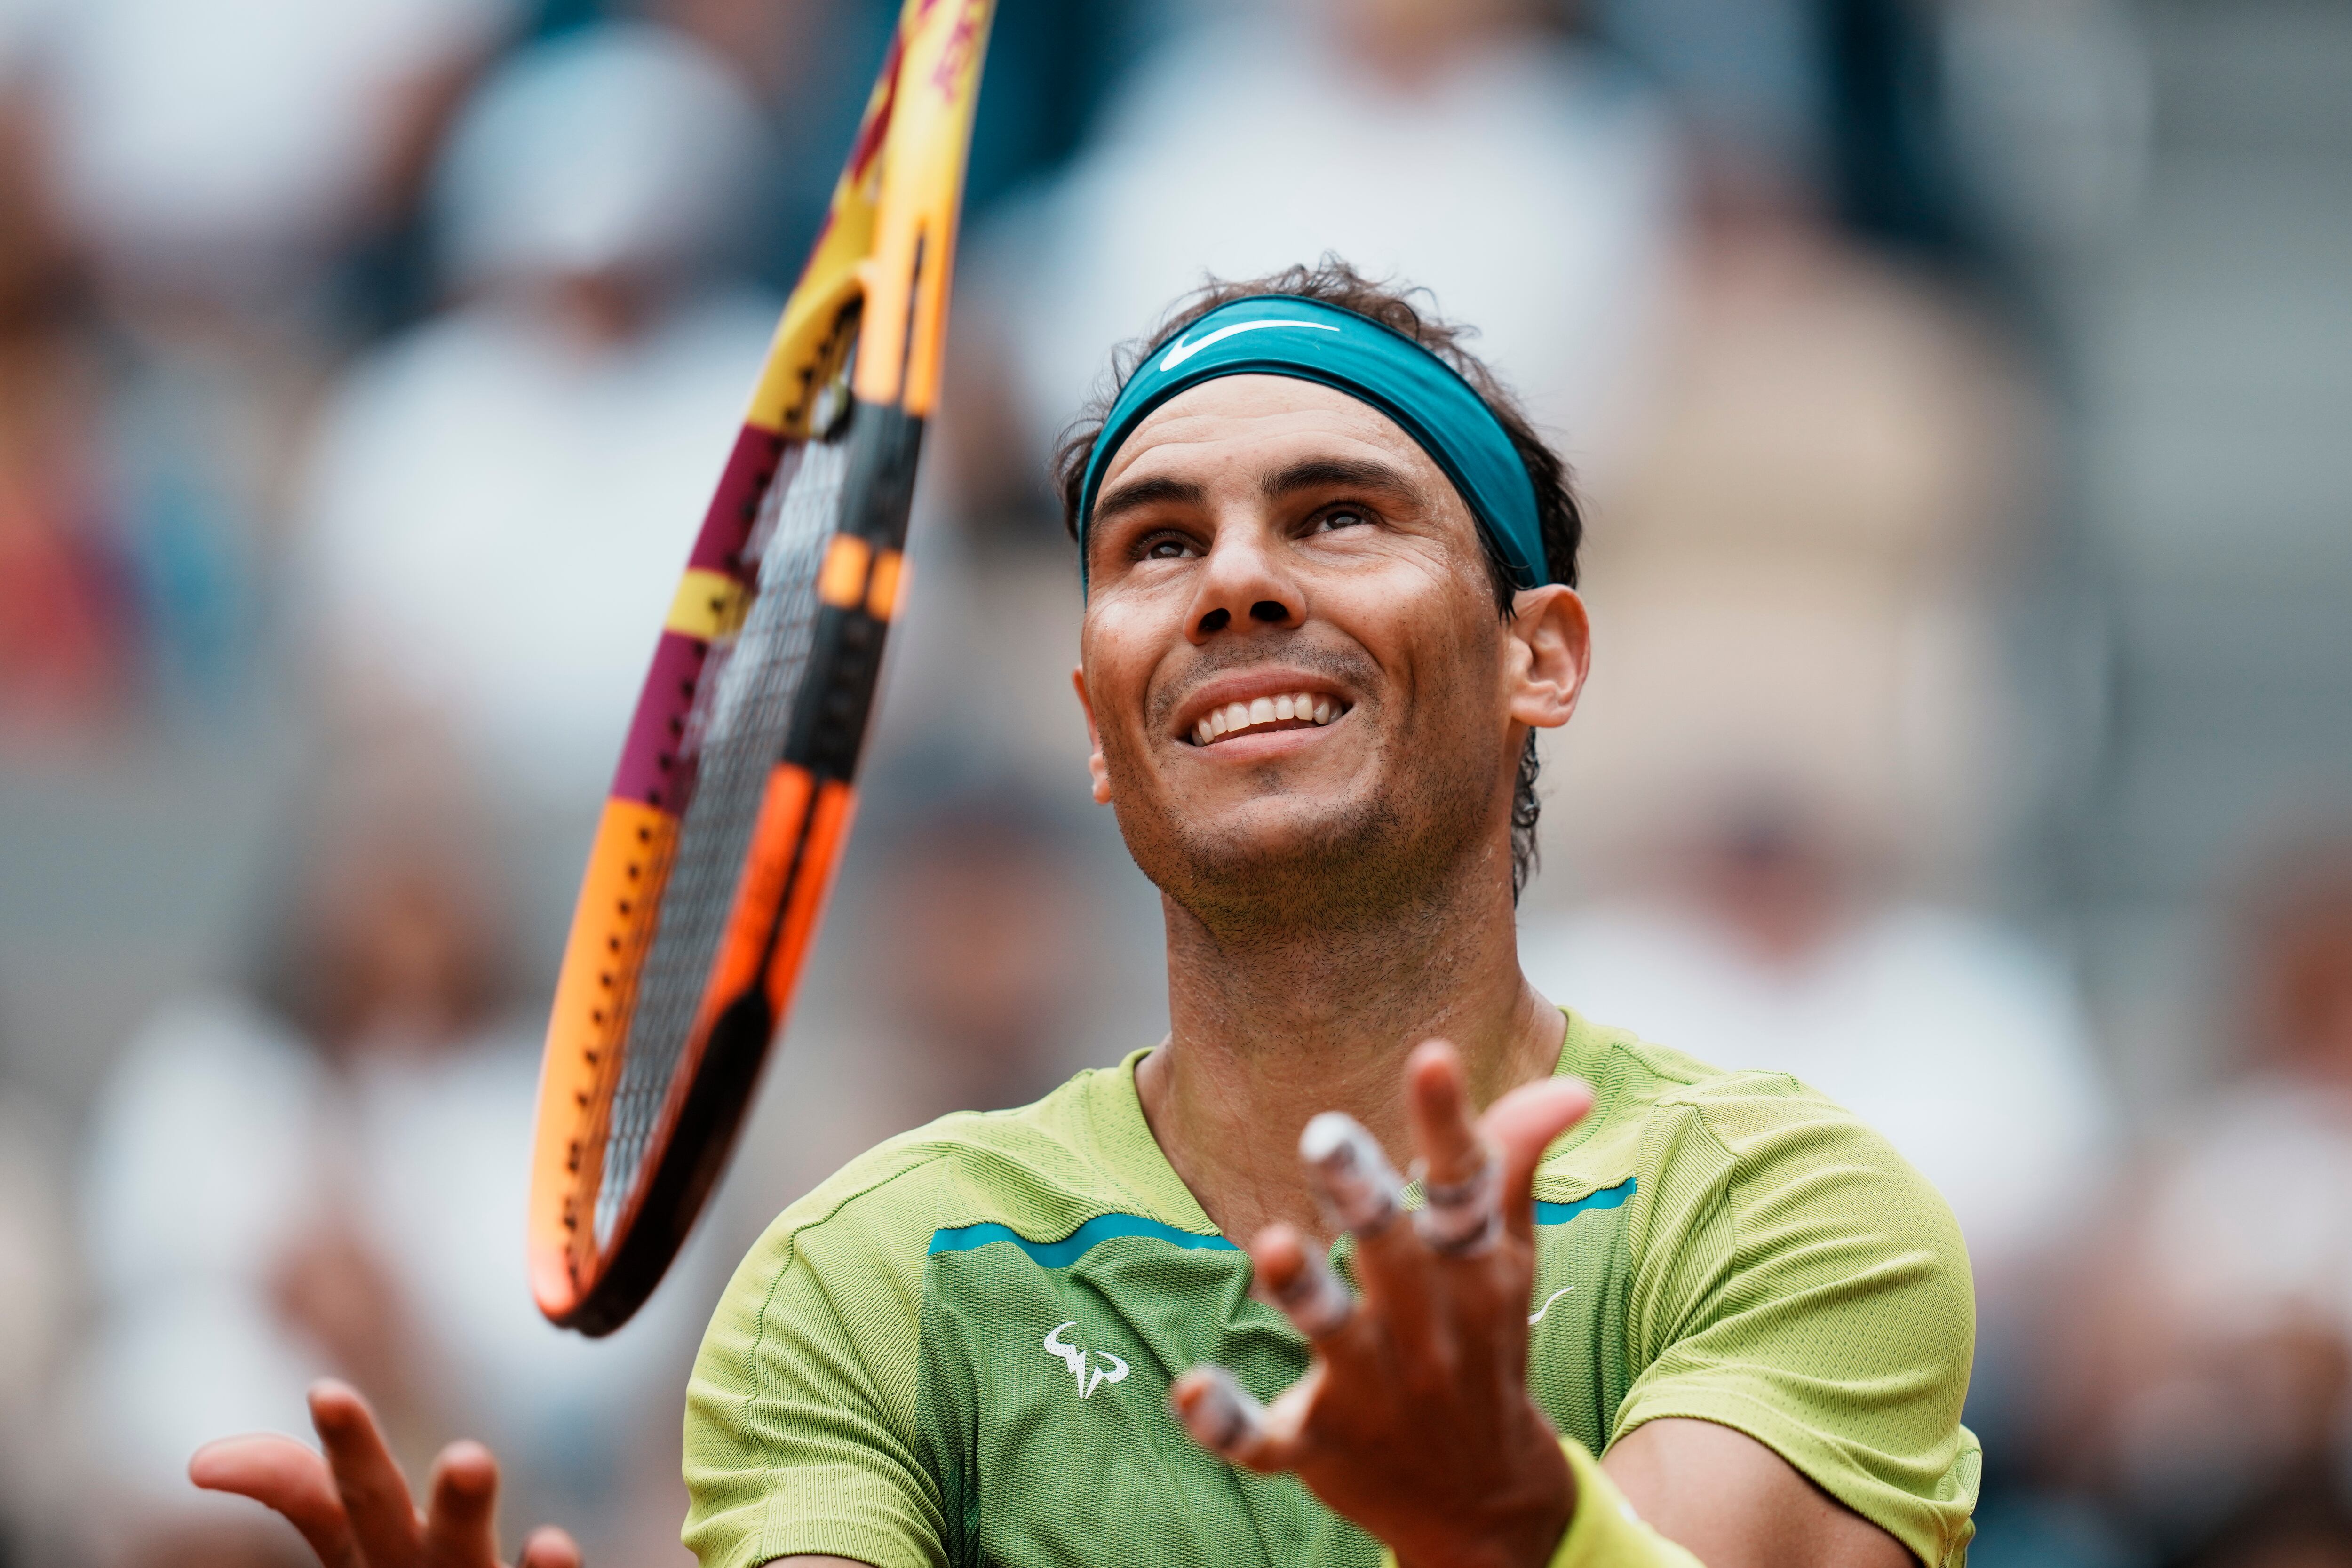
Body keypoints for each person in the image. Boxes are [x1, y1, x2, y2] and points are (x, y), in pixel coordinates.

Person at [194, 262, 1978, 1568]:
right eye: (1154, 544)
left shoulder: (1787, 1217)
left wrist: (1517, 1524)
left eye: (1337, 515)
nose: (1236, 584)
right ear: (1103, 732)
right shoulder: (872, 1277)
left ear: (1543, 655)